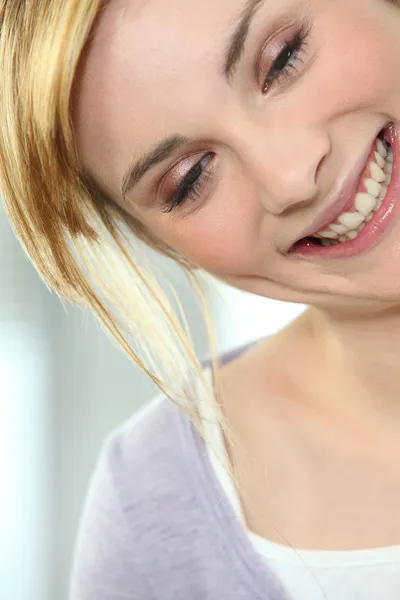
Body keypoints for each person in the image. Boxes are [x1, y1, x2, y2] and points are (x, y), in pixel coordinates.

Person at [1, 0, 400, 598]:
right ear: (156, 240)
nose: (290, 177)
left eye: (283, 60)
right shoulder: (150, 508)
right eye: (190, 178)